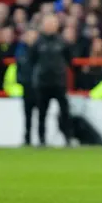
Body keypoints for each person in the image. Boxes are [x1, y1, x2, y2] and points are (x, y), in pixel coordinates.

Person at [29, 15, 74, 147]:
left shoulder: (62, 41)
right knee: (42, 113)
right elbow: (32, 60)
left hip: (59, 82)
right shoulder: (38, 42)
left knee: (65, 111)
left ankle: (68, 137)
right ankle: (41, 139)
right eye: (47, 23)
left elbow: (69, 59)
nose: (50, 26)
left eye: (52, 23)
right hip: (42, 83)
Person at [16, 29, 39, 146]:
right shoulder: (21, 52)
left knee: (41, 114)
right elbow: (18, 70)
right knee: (27, 115)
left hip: (39, 88)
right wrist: (22, 81)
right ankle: (27, 138)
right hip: (27, 87)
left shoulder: (40, 52)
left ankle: (41, 138)